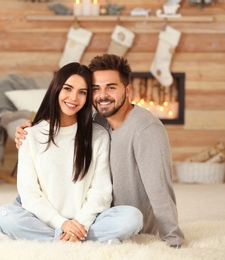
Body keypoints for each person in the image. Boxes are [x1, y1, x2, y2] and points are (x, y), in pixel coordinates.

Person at [15, 54, 185, 248]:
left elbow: (160, 190)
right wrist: (27, 130)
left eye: (111, 87)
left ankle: (60, 235)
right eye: (95, 89)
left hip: (117, 218)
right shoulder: (96, 119)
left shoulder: (147, 130)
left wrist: (173, 240)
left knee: (131, 217)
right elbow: (62, 117)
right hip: (89, 214)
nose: (103, 95)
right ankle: (64, 233)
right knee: (15, 206)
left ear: (127, 90)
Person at [0, 62, 143, 244]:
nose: (74, 98)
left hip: (86, 222)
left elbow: (101, 192)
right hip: (44, 220)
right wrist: (62, 223)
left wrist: (80, 223)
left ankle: (57, 240)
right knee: (4, 216)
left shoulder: (98, 136)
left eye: (82, 92)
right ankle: (79, 240)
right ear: (56, 89)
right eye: (68, 89)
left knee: (133, 217)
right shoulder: (30, 135)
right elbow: (29, 194)